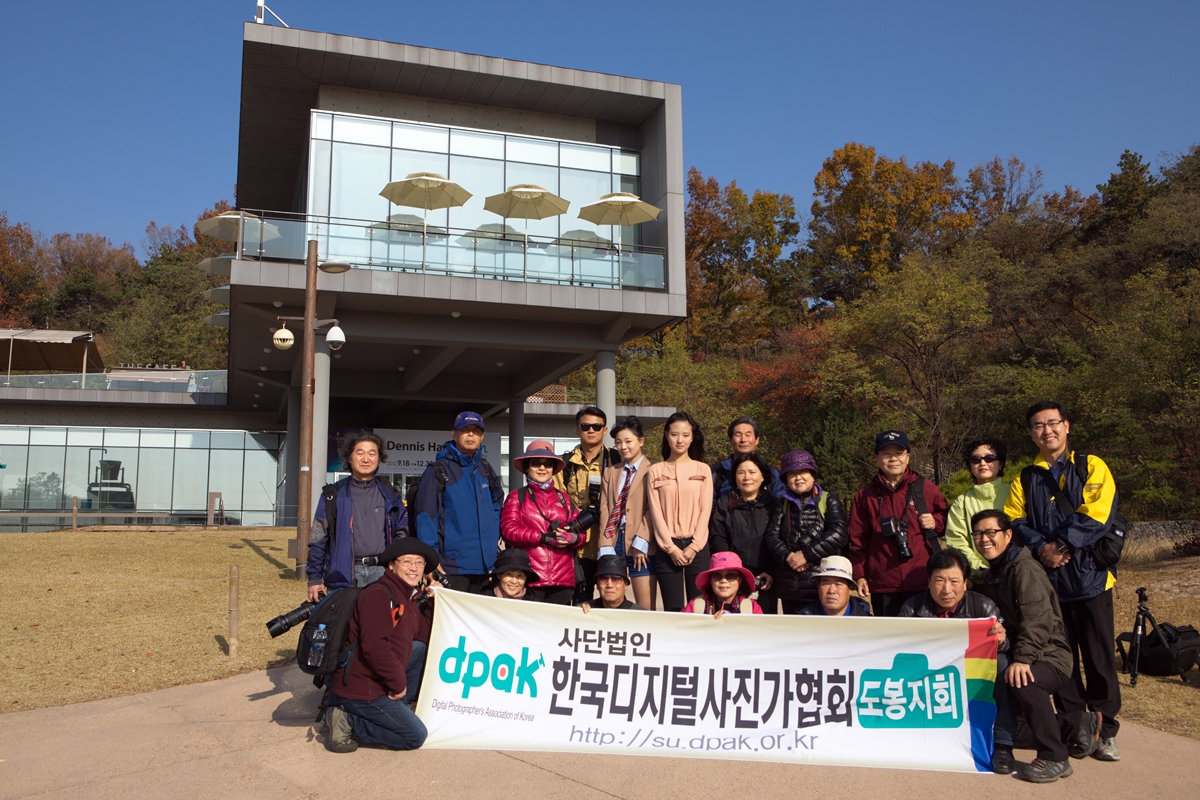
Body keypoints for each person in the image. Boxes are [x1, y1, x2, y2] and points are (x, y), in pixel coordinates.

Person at [1004, 401, 1122, 762]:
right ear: (1031, 433)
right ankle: (1075, 725)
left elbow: (1098, 512)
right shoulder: (1026, 477)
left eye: (1053, 423)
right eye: (1038, 425)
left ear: (1066, 426)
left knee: (1099, 657)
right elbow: (1014, 520)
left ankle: (1105, 729)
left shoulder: (1090, 465)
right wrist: (1043, 548)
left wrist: (1062, 545)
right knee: (1061, 658)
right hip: (1050, 583)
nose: (1047, 430)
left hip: (1091, 578)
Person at [974, 509, 1084, 783]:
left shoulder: (1024, 569)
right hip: (1022, 651)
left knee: (1023, 681)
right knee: (1007, 700)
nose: (984, 539)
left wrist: (1023, 659)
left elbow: (1039, 622)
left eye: (991, 532)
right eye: (978, 534)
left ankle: (1054, 756)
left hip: (1050, 656)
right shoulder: (994, 572)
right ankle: (1078, 725)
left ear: (1008, 535)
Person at [324, 537, 439, 753]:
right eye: (407, 561)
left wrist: (432, 601)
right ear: (391, 566)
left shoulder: (408, 597)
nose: (414, 568)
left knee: (420, 650)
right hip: (361, 689)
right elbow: (375, 646)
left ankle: (398, 709)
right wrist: (397, 684)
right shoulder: (379, 594)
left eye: (419, 563)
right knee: (415, 736)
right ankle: (347, 719)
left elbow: (422, 637)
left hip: (380, 679)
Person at [847, 429, 949, 617]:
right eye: (886, 454)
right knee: (889, 634)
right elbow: (858, 539)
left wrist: (935, 522)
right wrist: (859, 575)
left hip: (922, 578)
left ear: (907, 457)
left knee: (922, 633)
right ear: (877, 458)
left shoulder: (926, 488)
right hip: (883, 582)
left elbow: (947, 519)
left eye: (899, 453)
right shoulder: (865, 496)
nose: (893, 459)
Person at [306, 432, 406, 602]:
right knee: (345, 619)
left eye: (372, 453)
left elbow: (402, 530)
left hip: (381, 572)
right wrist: (314, 578)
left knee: (378, 618)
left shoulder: (390, 494)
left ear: (379, 458)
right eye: (360, 453)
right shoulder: (332, 495)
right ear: (349, 457)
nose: (366, 459)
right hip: (343, 576)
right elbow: (318, 538)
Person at [413, 411, 504, 594]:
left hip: (485, 567)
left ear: (482, 437)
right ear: (454, 434)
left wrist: (491, 539)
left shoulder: (485, 469)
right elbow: (425, 518)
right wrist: (431, 559)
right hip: (450, 568)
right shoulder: (438, 470)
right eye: (465, 430)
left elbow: (497, 506)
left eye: (476, 431)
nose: (471, 434)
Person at [764, 450, 848, 615]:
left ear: (813, 475)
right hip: (789, 584)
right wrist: (789, 557)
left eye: (803, 472)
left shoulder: (828, 500)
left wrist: (806, 555)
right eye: (792, 474)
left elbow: (839, 533)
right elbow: (771, 535)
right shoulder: (782, 503)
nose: (798, 478)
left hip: (821, 583)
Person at [501, 440, 584, 605]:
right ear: (527, 467)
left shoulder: (564, 498)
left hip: (562, 581)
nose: (542, 468)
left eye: (548, 464)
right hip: (529, 577)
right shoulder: (516, 496)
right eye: (536, 463)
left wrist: (573, 538)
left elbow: (581, 534)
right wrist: (542, 537)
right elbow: (508, 530)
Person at [647, 411, 714, 612]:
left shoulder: (703, 470)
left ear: (692, 437)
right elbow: (656, 512)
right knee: (673, 608)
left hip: (698, 547)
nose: (680, 440)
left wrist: (695, 546)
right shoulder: (656, 470)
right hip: (667, 547)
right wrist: (670, 548)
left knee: (700, 607)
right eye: (674, 434)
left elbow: (705, 510)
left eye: (685, 435)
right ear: (666, 435)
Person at [555, 406, 621, 605]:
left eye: (596, 426)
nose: (591, 430)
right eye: (585, 426)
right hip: (576, 544)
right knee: (578, 600)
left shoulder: (617, 460)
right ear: (577, 430)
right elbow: (556, 502)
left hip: (608, 543)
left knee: (611, 600)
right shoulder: (564, 463)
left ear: (604, 430)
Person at [598, 416, 657, 610]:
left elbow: (653, 509)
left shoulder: (654, 470)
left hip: (640, 541)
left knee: (644, 606)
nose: (623, 447)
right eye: (618, 442)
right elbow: (605, 509)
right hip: (615, 539)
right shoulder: (610, 472)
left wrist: (643, 540)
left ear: (641, 441)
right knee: (611, 600)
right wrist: (605, 543)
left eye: (628, 441)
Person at [709, 451, 778, 612]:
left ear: (762, 476)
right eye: (741, 472)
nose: (747, 477)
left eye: (752, 472)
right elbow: (718, 537)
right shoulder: (725, 503)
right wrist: (732, 571)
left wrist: (771, 571)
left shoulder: (774, 505)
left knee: (764, 622)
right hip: (733, 577)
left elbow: (778, 540)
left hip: (765, 578)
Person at [945, 436, 1011, 583]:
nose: (982, 463)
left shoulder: (1014, 493)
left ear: (1000, 464)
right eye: (975, 459)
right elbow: (957, 543)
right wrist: (981, 571)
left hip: (1014, 575)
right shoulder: (962, 502)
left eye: (989, 458)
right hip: (980, 581)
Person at [711, 416, 785, 501]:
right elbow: (709, 505)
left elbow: (779, 504)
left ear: (757, 440)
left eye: (748, 435)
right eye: (738, 435)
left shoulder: (771, 474)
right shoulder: (717, 473)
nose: (743, 439)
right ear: (730, 441)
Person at [683, 551, 762, 616]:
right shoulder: (696, 605)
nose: (723, 580)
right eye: (717, 575)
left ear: (740, 580)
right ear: (710, 580)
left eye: (731, 575)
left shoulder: (751, 607)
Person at [798, 556, 872, 616]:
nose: (831, 590)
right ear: (818, 587)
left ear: (850, 589)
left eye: (838, 584)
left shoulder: (868, 623)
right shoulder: (801, 622)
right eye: (826, 583)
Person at [581, 554, 646, 611]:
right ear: (597, 585)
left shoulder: (640, 615)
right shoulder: (586, 611)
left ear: (626, 584)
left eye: (616, 579)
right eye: (604, 579)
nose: (609, 585)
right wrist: (579, 612)